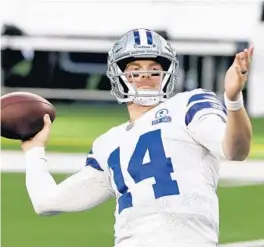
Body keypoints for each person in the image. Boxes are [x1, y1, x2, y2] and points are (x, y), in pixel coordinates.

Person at [22, 29, 253, 247]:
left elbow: (235, 149)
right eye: (134, 69)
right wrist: (34, 150)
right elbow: (47, 201)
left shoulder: (188, 106)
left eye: (154, 69)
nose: (145, 75)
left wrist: (233, 100)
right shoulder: (108, 144)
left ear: (166, 74)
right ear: (119, 76)